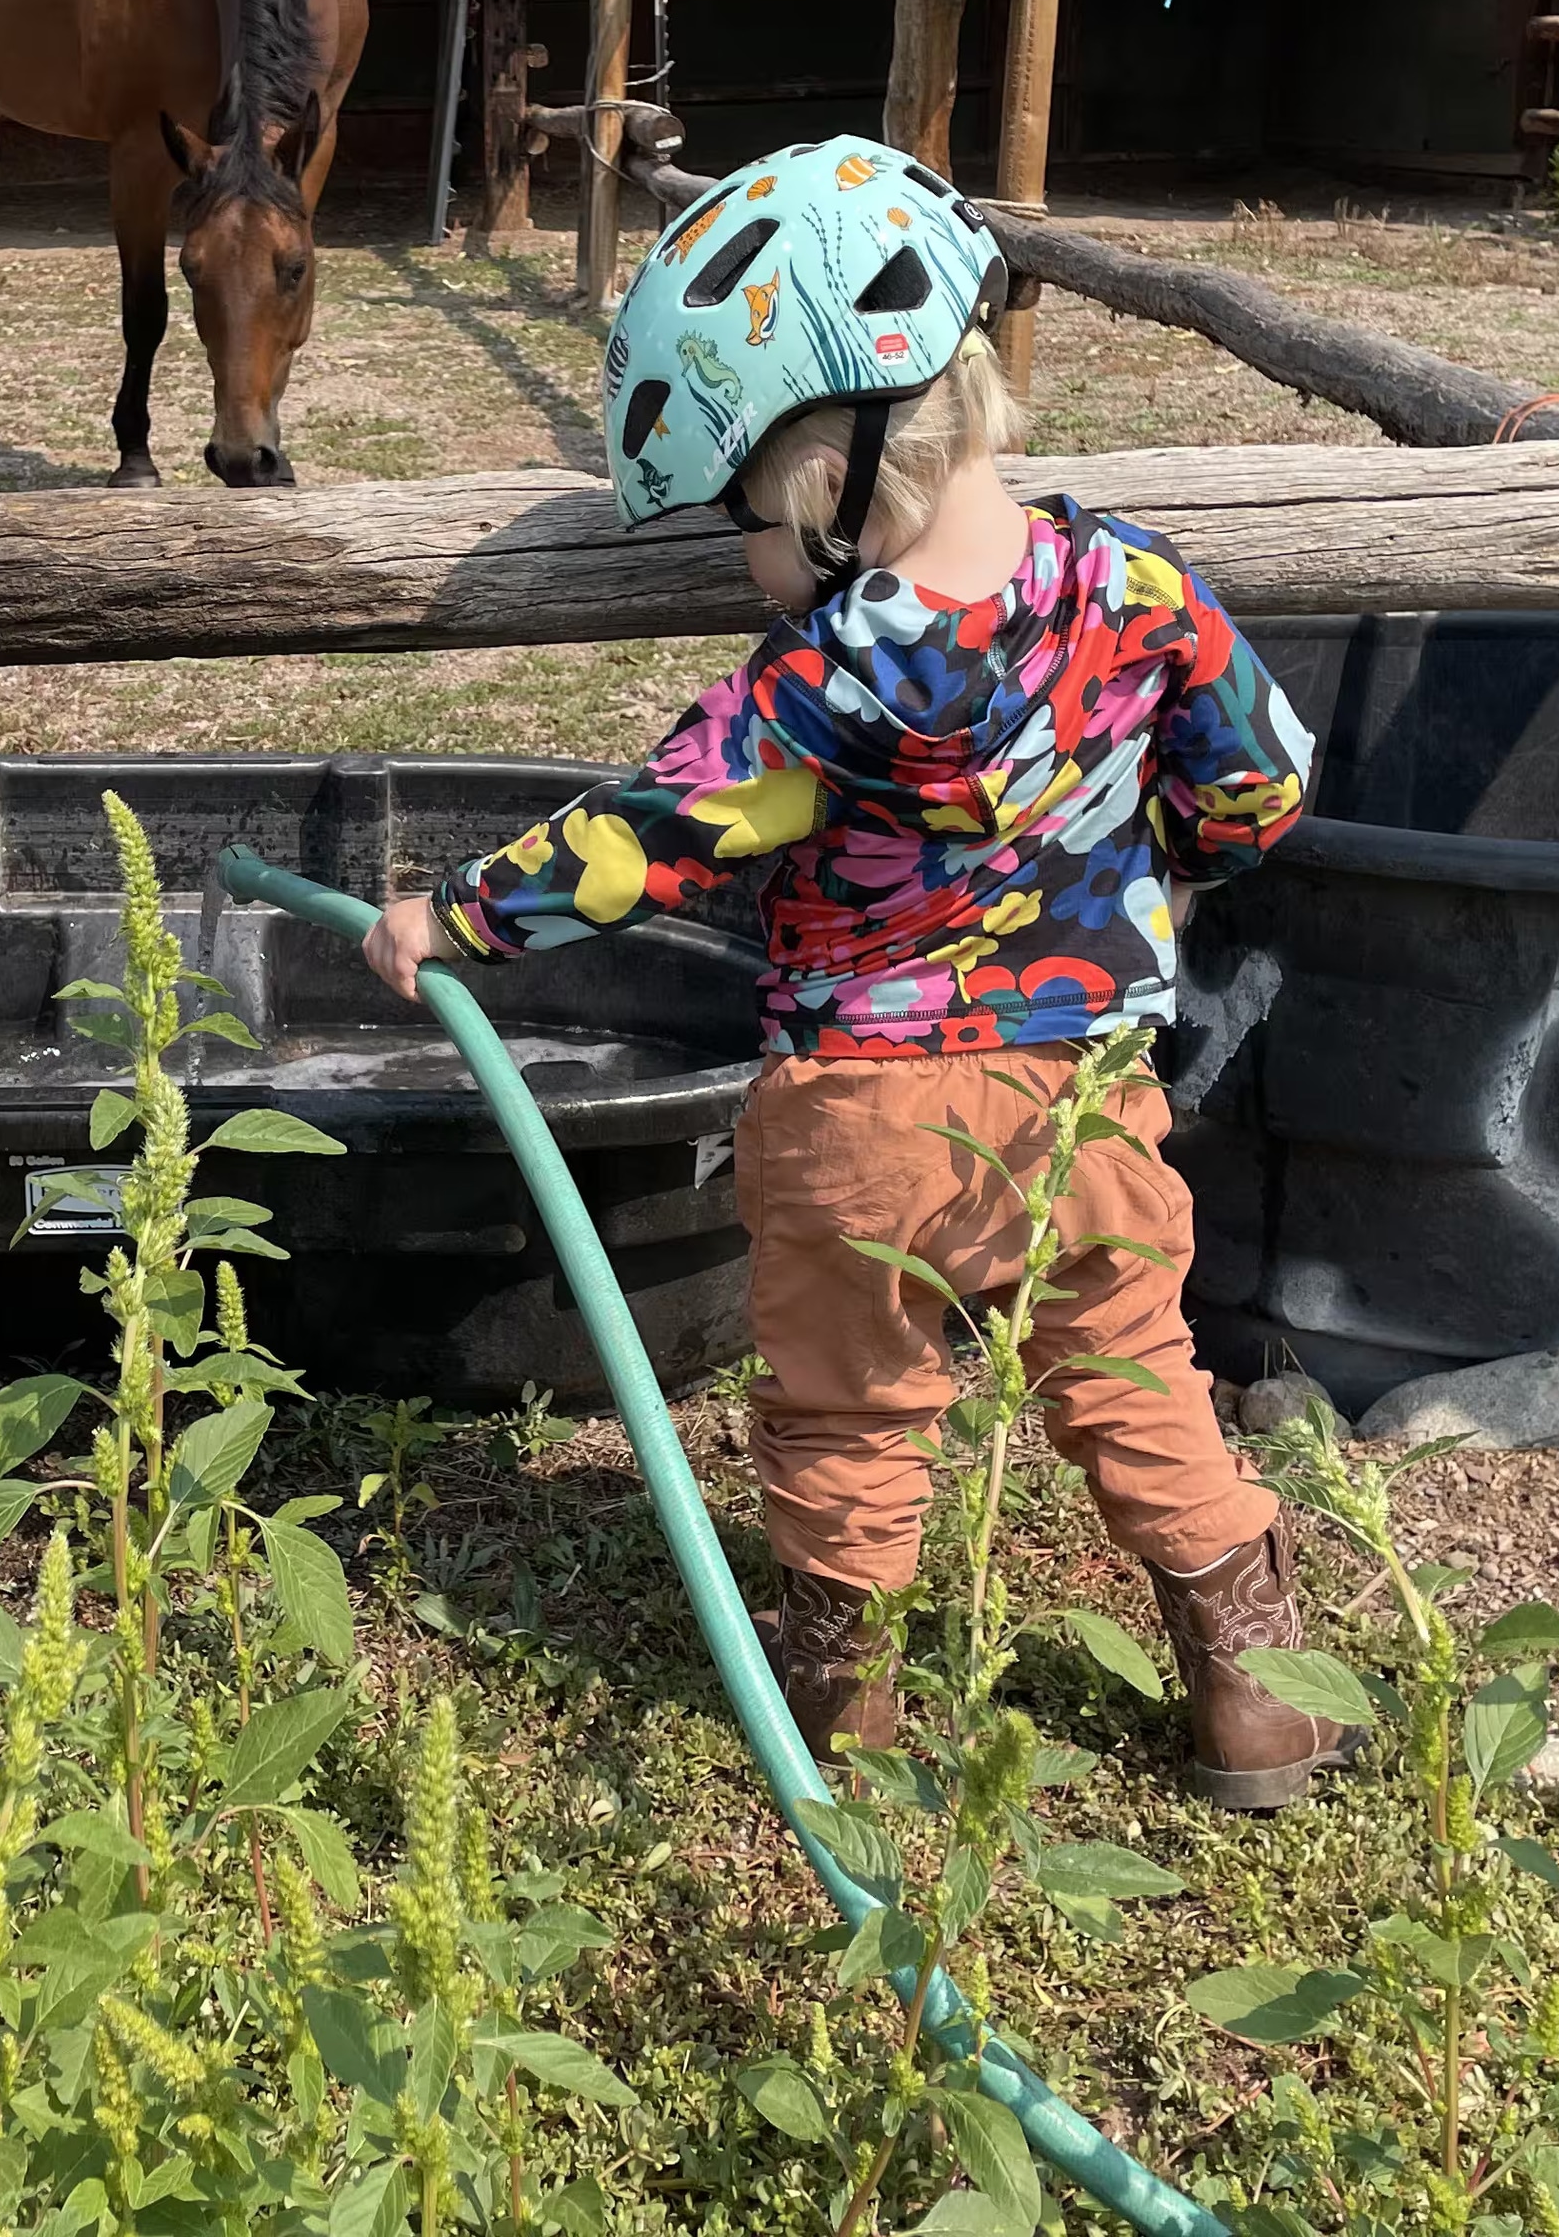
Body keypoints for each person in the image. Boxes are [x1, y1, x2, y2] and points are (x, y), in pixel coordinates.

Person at [359, 137, 1345, 1811]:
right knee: (1132, 1376)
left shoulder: (811, 689)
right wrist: (1154, 850)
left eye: (744, 521)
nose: (739, 562)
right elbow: (1264, 786)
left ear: (831, 494)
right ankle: (1256, 1697)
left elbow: (649, 838)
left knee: (848, 1414)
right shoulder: (1142, 593)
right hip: (1084, 1095)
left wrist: (450, 918)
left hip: (858, 1116)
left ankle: (848, 1716)